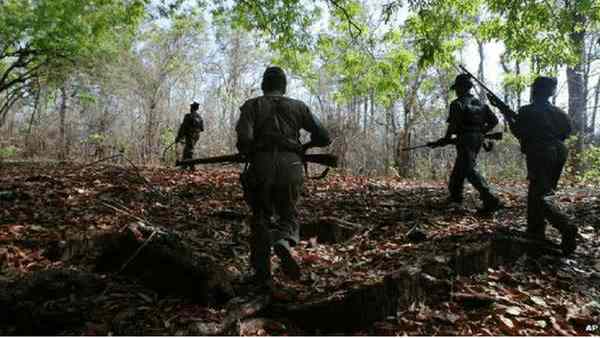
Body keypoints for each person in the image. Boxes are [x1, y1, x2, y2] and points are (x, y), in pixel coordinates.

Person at [235, 66, 331, 287]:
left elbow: (244, 139)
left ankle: (261, 274)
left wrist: (249, 150)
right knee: (289, 213)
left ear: (263, 85)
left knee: (260, 217)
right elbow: (324, 137)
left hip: (261, 165)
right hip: (292, 164)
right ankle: (283, 240)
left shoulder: (252, 105)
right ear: (284, 86)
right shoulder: (299, 106)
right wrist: (304, 146)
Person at [488, 76, 577, 255]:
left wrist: (505, 113)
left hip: (541, 152)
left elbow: (518, 131)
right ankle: (535, 233)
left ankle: (565, 225)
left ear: (536, 90)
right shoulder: (559, 112)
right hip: (559, 151)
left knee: (540, 196)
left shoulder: (527, 111)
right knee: (540, 191)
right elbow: (566, 132)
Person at [441, 74, 502, 213]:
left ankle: (491, 199)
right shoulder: (481, 104)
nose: (456, 91)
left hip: (465, 139)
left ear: (463, 88)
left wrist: (446, 139)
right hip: (477, 139)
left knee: (469, 169)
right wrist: (480, 132)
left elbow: (453, 125)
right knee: (460, 168)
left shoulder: (457, 104)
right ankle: (456, 197)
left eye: (457, 88)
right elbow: (494, 121)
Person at [175, 102, 204, 170]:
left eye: (191, 107)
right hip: (196, 136)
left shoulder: (188, 116)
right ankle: (184, 165)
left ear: (191, 108)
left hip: (190, 135)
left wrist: (179, 137)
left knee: (189, 150)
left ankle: (192, 166)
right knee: (187, 149)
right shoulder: (200, 117)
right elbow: (202, 129)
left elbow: (183, 127)